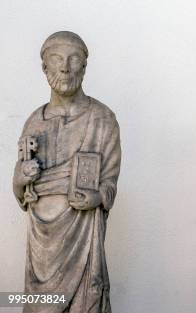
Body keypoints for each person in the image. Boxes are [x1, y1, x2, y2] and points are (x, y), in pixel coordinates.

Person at [13, 31, 121, 313]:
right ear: (44, 67)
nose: (65, 67)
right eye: (57, 59)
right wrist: (21, 177)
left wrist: (97, 197)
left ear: (84, 67)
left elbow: (110, 182)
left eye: (74, 60)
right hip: (42, 245)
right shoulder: (34, 122)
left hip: (83, 236)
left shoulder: (103, 119)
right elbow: (21, 191)